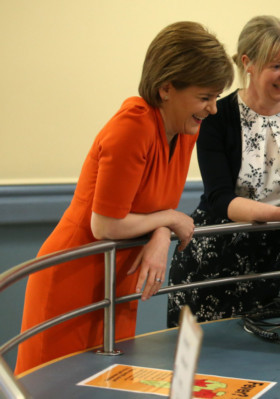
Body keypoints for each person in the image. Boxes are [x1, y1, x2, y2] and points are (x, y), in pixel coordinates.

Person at [15, 21, 234, 374]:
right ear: (166, 89)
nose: (213, 109)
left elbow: (152, 209)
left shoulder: (186, 127)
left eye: (216, 98)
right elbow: (104, 224)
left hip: (116, 278)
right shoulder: (133, 127)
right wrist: (171, 220)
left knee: (108, 382)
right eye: (205, 97)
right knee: (55, 384)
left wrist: (162, 229)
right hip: (75, 274)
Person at [167, 16, 280, 327]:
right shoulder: (216, 116)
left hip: (275, 261)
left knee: (271, 357)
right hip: (214, 256)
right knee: (203, 367)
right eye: (277, 66)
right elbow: (219, 199)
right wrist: (279, 215)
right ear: (248, 63)